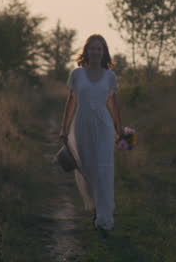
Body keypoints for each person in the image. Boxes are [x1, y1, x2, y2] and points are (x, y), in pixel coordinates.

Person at [59, 34, 126, 231]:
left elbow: (113, 104)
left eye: (99, 48)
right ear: (86, 51)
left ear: (104, 52)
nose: (95, 52)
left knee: (104, 170)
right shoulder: (77, 74)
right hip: (82, 125)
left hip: (104, 126)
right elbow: (71, 102)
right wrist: (64, 127)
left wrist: (119, 127)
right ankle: (97, 205)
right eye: (92, 48)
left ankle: (104, 219)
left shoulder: (110, 76)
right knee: (88, 169)